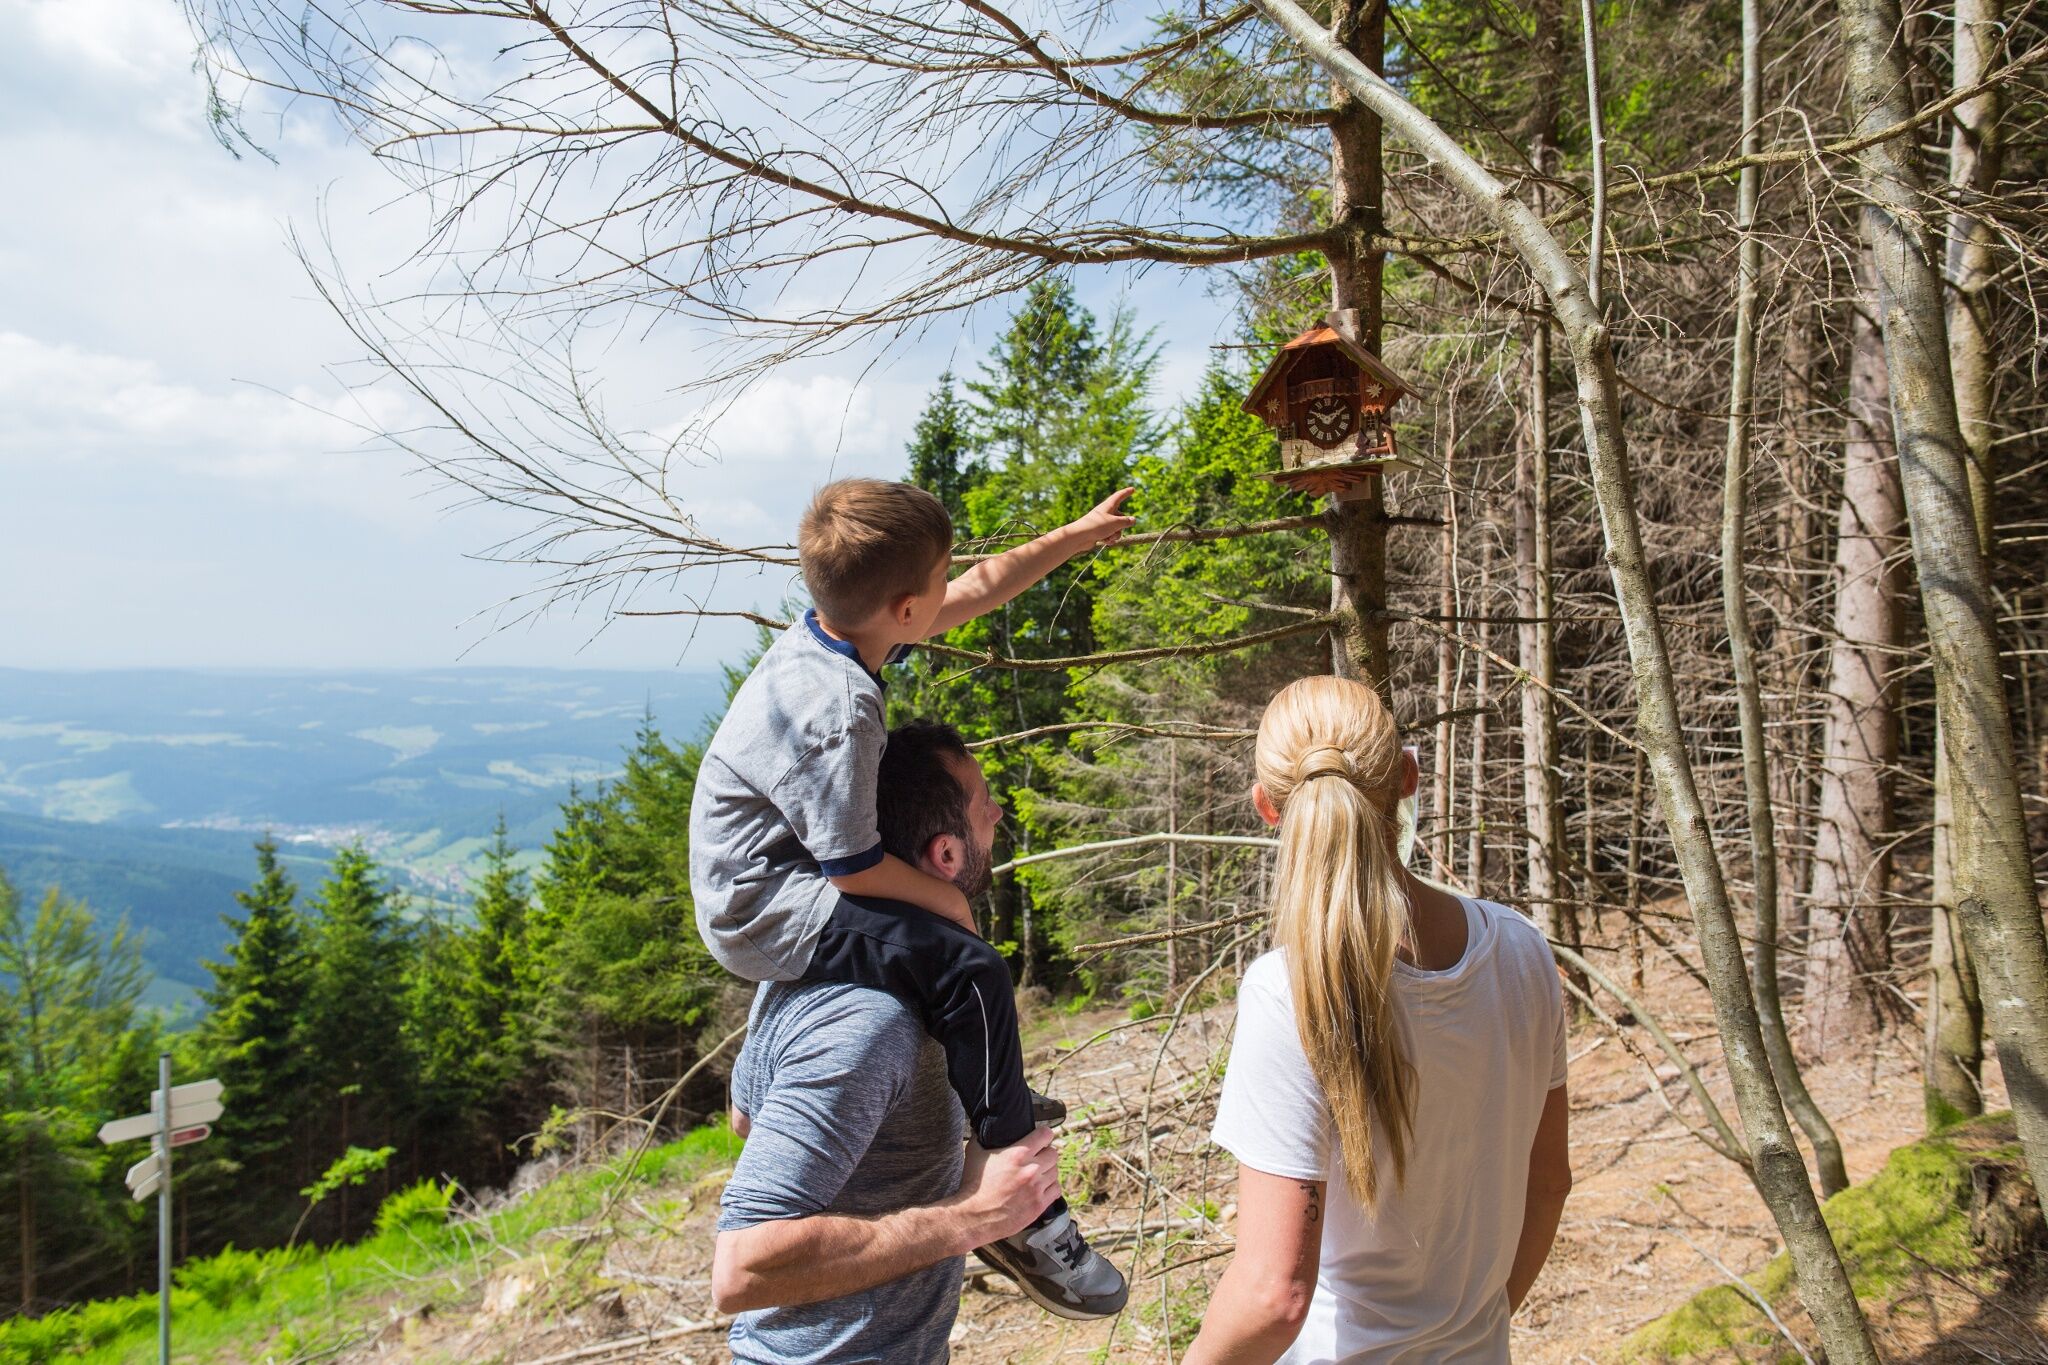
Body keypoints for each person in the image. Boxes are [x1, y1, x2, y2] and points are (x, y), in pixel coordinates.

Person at [689, 479, 1133, 1318]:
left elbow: (974, 588)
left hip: (770, 875)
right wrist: (947, 905)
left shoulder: (838, 632)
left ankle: (981, 1093)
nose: (954, 582)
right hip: (768, 903)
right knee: (967, 966)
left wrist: (1074, 536)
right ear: (902, 608)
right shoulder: (842, 704)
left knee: (935, 952)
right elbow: (855, 870)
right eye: (939, 576)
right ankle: (1019, 1193)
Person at [1183, 676, 1573, 1365]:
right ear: (1409, 777)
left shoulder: (1287, 992)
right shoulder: (1522, 952)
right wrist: (1466, 1332)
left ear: (1268, 808)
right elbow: (1549, 1186)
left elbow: (1274, 1293)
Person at [713, 723, 1080, 1361]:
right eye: (983, 802)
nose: (997, 811)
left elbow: (747, 1119)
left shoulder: (805, 958)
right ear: (946, 855)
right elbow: (743, 1270)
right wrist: (974, 1216)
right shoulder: (872, 1022)